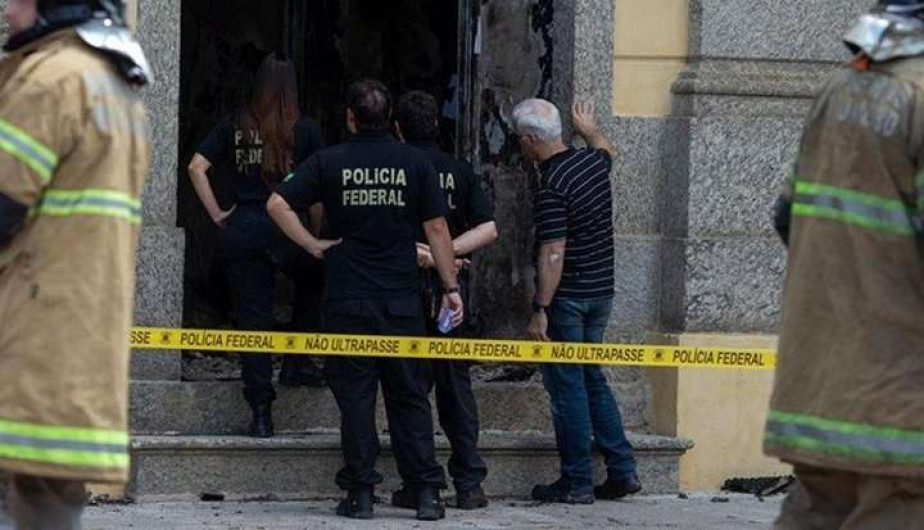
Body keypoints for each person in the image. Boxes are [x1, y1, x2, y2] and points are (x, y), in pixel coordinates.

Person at [267, 80, 463, 521]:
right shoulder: (414, 162)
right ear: (390, 119)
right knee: (409, 394)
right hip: (400, 298)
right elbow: (436, 229)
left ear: (350, 118)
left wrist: (312, 244)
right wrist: (450, 287)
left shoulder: (329, 160)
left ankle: (359, 494)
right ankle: (426, 494)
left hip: (348, 297)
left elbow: (277, 203)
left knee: (355, 397)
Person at [766, 2, 924, 527]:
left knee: (815, 511)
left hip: (820, 384)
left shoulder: (841, 86)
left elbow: (787, 217)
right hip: (902, 404)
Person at [0, 0, 151, 528]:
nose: (8, 9)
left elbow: (3, 204)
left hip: (34, 320)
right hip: (82, 325)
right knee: (49, 492)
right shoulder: (114, 84)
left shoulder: (51, 80)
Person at [188, 54, 326, 439]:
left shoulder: (234, 125)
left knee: (253, 321)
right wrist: (314, 236)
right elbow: (316, 195)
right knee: (315, 280)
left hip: (244, 226)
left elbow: (196, 167)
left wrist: (217, 214)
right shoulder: (306, 129)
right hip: (288, 225)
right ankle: (298, 361)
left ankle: (261, 413)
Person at [512, 99, 641, 504]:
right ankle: (622, 469)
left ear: (532, 140)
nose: (520, 146)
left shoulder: (552, 184)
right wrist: (590, 131)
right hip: (602, 292)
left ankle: (576, 481)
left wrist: (540, 309)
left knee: (567, 387)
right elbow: (608, 149)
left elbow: (553, 252)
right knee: (592, 379)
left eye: (520, 140)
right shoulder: (591, 163)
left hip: (568, 298)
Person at [391, 91, 498, 510]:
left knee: (410, 390)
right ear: (437, 124)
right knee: (456, 386)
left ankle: (421, 484)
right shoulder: (459, 169)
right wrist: (448, 254)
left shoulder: (396, 171)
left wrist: (431, 254)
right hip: (451, 291)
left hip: (405, 288)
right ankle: (469, 483)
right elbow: (488, 228)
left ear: (398, 129)